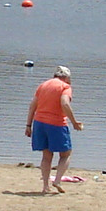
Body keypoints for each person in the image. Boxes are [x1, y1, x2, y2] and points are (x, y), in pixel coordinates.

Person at [24, 64, 83, 194]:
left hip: (39, 123)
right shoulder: (65, 87)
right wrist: (74, 122)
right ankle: (57, 180)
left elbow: (32, 105)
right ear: (67, 77)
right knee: (66, 154)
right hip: (56, 124)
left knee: (46, 155)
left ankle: (45, 186)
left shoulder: (43, 85)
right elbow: (65, 103)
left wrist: (28, 125)